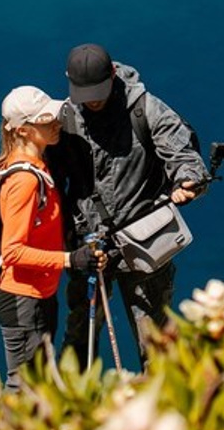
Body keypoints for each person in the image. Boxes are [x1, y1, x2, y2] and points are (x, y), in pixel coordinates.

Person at [55, 44, 210, 370]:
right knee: (79, 338)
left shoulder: (146, 109)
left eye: (98, 92)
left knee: (155, 339)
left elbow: (183, 155)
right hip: (88, 248)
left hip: (144, 245)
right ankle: (68, 412)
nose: (92, 101)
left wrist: (188, 181)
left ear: (113, 75)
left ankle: (164, 410)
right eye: (85, 94)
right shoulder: (66, 116)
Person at [0, 85, 105, 392]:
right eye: (46, 121)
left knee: (34, 384)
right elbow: (12, 251)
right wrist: (70, 258)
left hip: (38, 295)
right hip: (23, 299)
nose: (56, 123)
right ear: (25, 131)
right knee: (24, 387)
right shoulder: (25, 181)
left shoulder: (35, 168)